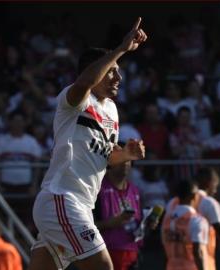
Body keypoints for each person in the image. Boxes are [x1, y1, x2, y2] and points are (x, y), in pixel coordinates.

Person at [28, 18, 147, 270]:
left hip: (79, 204)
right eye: (113, 70)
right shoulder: (75, 98)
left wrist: (126, 154)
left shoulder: (112, 110)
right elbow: (84, 83)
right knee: (103, 266)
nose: (119, 77)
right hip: (62, 199)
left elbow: (105, 157)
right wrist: (121, 49)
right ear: (97, 70)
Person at [166, 167, 220, 270]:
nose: (216, 189)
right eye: (216, 184)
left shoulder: (172, 203)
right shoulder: (209, 203)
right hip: (200, 263)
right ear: (209, 182)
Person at [94, 161, 144, 270]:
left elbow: (138, 223)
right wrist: (109, 224)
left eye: (128, 160)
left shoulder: (135, 190)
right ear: (109, 162)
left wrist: (147, 224)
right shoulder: (96, 190)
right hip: (107, 254)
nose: (125, 163)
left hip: (133, 254)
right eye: (121, 159)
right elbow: (83, 227)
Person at [161, 180, 209, 270]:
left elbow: (165, 250)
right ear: (194, 196)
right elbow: (198, 252)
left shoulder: (166, 220)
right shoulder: (198, 220)